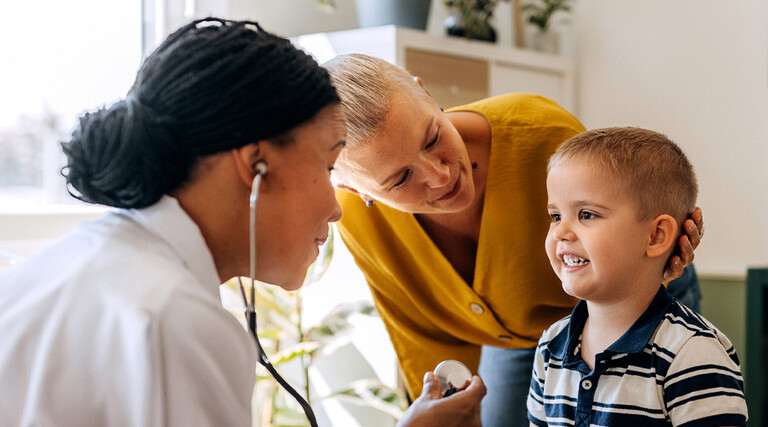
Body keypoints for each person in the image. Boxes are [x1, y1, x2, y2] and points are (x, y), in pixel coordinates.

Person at [0, 18, 485, 426]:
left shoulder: (69, 266)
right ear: (254, 164)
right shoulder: (175, 323)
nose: (337, 209)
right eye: (327, 167)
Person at [323, 53, 704, 427]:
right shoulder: (354, 217)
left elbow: (626, 236)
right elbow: (419, 332)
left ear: (425, 94)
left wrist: (651, 266)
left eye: (432, 137)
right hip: (512, 335)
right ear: (352, 189)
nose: (440, 175)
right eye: (401, 178)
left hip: (631, 290)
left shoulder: (542, 134)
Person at [528, 127, 747, 426]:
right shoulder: (551, 345)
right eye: (555, 216)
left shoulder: (691, 354)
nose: (561, 233)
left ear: (656, 236)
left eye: (587, 214)